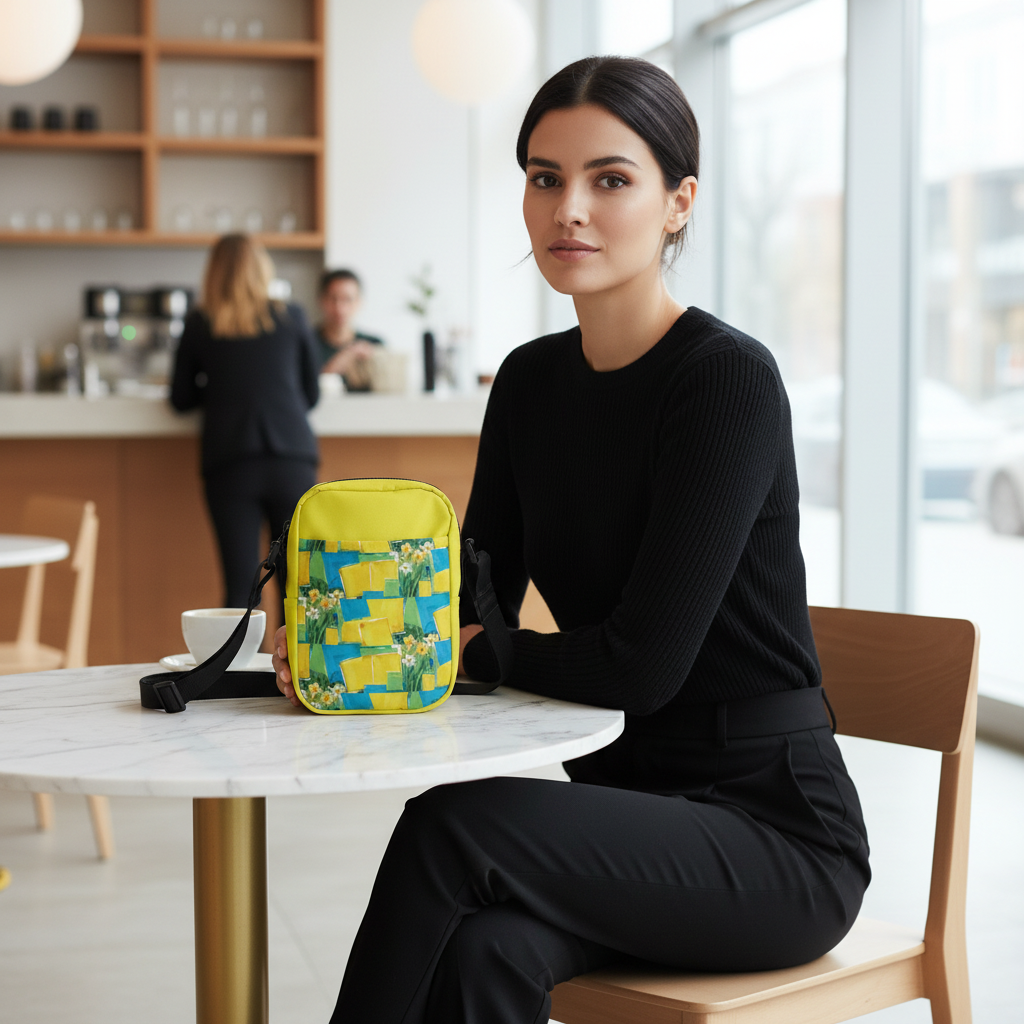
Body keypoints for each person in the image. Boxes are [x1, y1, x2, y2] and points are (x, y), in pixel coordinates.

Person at [273, 56, 870, 1024]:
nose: (570, 209)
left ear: (678, 202)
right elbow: (476, 597)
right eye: (545, 178)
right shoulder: (530, 382)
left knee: (454, 826)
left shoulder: (725, 382)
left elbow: (642, 667)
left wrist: (474, 652)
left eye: (611, 179)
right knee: (484, 948)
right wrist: (357, 647)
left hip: (774, 837)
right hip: (626, 815)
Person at [171, 234, 320, 608]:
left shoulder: (201, 322)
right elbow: (311, 395)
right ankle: (297, 668)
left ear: (214, 272)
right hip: (291, 459)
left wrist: (221, 391)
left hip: (232, 462)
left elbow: (180, 399)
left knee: (241, 587)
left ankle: (239, 667)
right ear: (263, 268)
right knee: (296, 586)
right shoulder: (292, 316)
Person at [315, 268, 384, 391]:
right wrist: (337, 365)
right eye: (333, 299)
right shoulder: (305, 343)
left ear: (359, 302)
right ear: (321, 300)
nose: (340, 308)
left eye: (347, 299)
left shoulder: (375, 344)